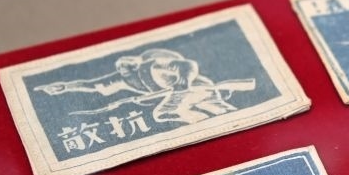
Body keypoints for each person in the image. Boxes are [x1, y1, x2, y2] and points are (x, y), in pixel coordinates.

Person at [35, 49, 255, 124]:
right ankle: (213, 120)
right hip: (185, 93)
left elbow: (186, 65)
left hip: (193, 88)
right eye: (121, 67)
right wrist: (66, 87)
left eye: (128, 64)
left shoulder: (154, 63)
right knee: (219, 109)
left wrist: (183, 81)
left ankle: (206, 123)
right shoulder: (124, 78)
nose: (124, 68)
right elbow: (92, 85)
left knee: (165, 112)